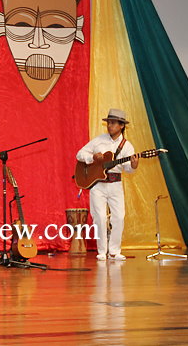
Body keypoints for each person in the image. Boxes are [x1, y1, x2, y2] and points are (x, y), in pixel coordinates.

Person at [76, 109, 139, 261]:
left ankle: (114, 251)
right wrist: (92, 157)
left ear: (121, 126)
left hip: (115, 184)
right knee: (99, 217)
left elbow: (128, 169)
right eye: (109, 123)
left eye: (113, 123)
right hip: (97, 184)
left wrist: (134, 165)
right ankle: (102, 251)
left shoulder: (127, 146)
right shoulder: (99, 140)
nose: (110, 125)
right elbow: (79, 154)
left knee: (119, 217)